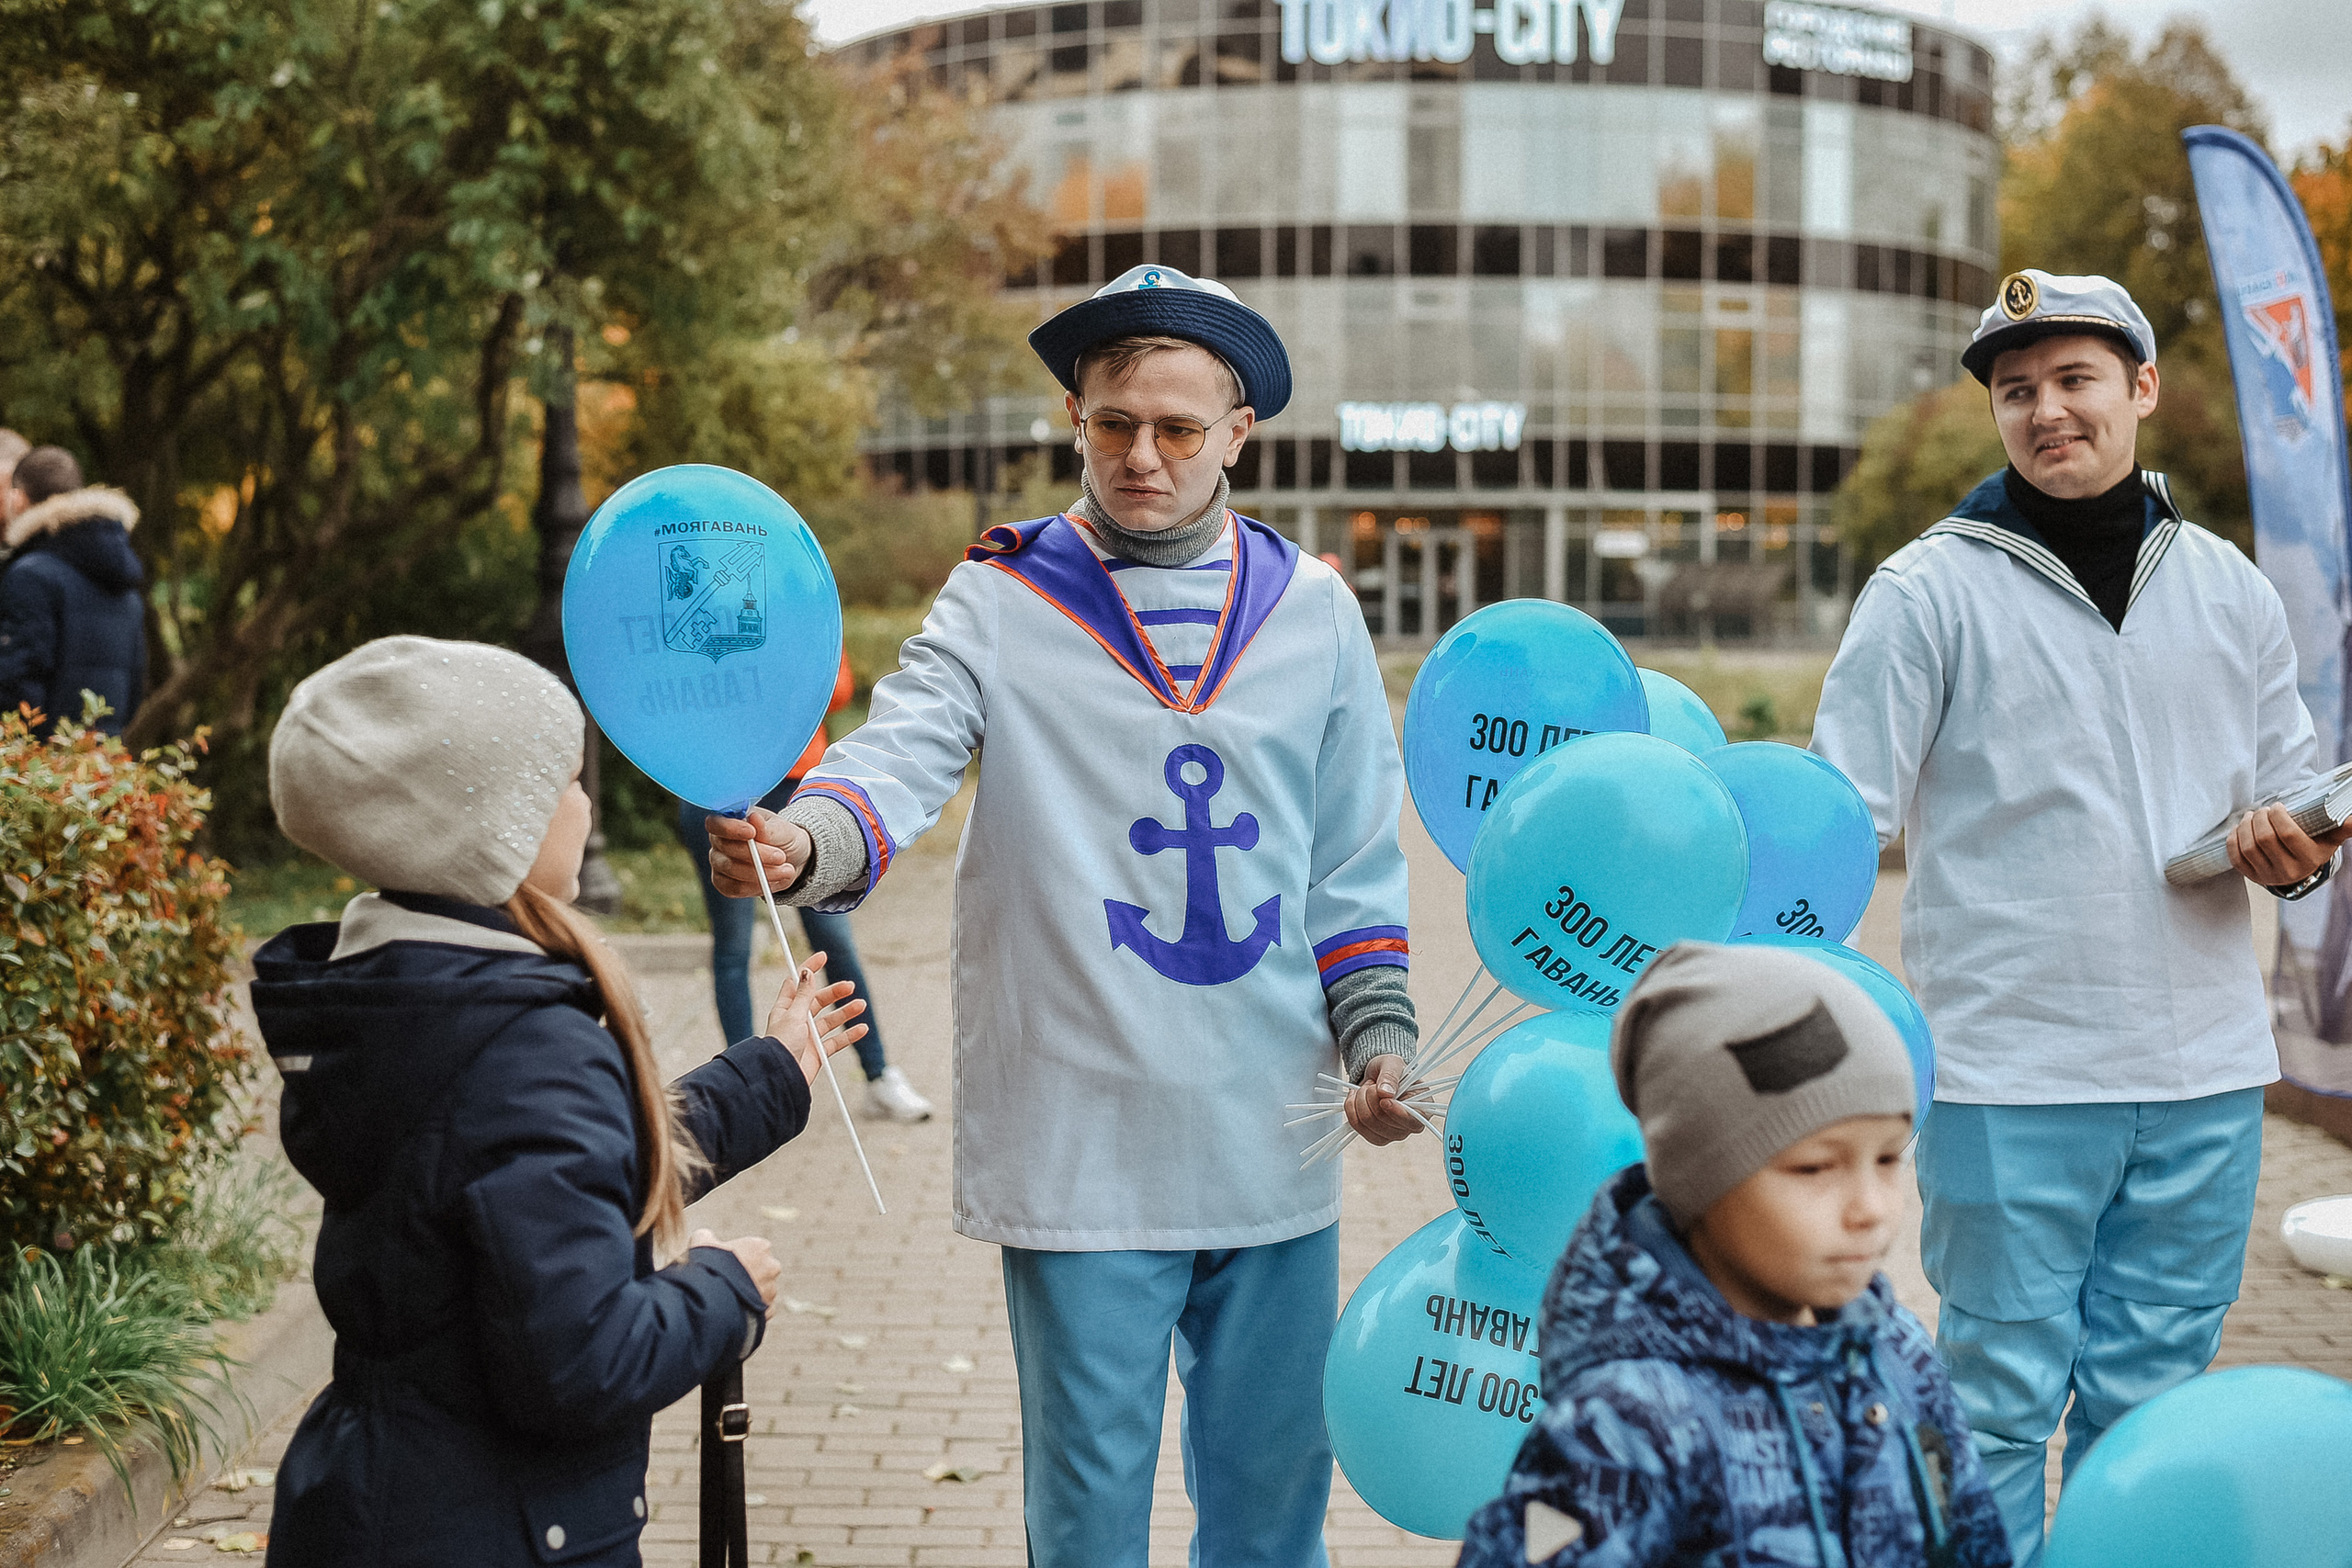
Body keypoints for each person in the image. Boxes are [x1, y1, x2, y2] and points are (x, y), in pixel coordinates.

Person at [706, 265, 1421, 1566]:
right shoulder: (1003, 592)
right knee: (1087, 1523)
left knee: (1273, 1514)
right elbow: (903, 750)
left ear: (1239, 432)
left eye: (1177, 428)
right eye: (1111, 423)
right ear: (1077, 420)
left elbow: (1354, 858)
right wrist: (803, 839)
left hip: (1276, 1128)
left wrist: (1378, 1037)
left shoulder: (1314, 609)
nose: (1141, 455)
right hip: (1079, 1135)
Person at [1808, 270, 2351, 1567]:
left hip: (2207, 1073)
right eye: (2016, 390)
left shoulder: (2230, 589)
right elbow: (1837, 818)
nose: (2047, 410)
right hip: (2009, 1071)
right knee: (1995, 1401)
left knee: (2152, 1412)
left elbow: (2290, 797)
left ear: (2142, 389)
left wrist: (2295, 853)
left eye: (2074, 379)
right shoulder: (1925, 590)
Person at [250, 636, 867, 1567]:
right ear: (496, 824)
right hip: (496, 1528)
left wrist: (769, 1070)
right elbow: (582, 1363)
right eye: (567, 784)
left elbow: (561, 1166)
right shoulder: (522, 1042)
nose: (584, 805)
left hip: (377, 1503)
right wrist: (724, 1290)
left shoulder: (401, 996)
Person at [1458, 942, 2013, 1568]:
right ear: (1701, 1180)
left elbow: (1974, 1540)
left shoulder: (1898, 1353)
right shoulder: (1623, 1430)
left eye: (1887, 1158)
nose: (1871, 1207)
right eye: (1814, 1167)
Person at [673, 649, 933, 1120]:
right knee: (733, 947)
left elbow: (839, 689)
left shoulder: (792, 594)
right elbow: (676, 698)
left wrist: (763, 679)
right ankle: (741, 1095)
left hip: (798, 783)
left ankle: (879, 1074)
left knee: (833, 939)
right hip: (716, 787)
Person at [0, 445, 145, 737]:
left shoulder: (29, 576)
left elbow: (15, 689)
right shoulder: (125, 586)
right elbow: (133, 694)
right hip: (101, 770)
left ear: (18, 498)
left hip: (40, 773)